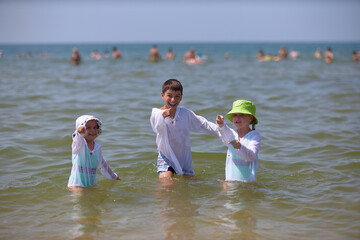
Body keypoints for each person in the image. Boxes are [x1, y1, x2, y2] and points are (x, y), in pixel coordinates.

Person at [150, 79, 219, 182]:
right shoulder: (156, 113)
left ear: (181, 97)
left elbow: (204, 125)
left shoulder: (185, 113)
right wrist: (164, 115)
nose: (173, 100)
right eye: (169, 95)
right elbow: (156, 125)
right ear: (162, 95)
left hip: (184, 159)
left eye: (177, 96)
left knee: (193, 185)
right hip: (166, 157)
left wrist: (225, 132)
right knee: (166, 182)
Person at [68, 115, 120, 190]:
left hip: (91, 184)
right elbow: (77, 138)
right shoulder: (79, 145)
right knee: (79, 198)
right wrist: (80, 132)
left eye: (95, 127)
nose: (92, 130)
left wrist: (113, 177)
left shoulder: (97, 148)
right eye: (88, 128)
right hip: (76, 185)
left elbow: (103, 164)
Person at [216, 100, 261, 182]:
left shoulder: (254, 136)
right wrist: (221, 124)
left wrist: (240, 147)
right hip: (230, 180)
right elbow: (225, 134)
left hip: (248, 182)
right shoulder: (232, 133)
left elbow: (251, 156)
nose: (237, 118)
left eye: (241, 115)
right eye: (235, 115)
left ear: (250, 118)